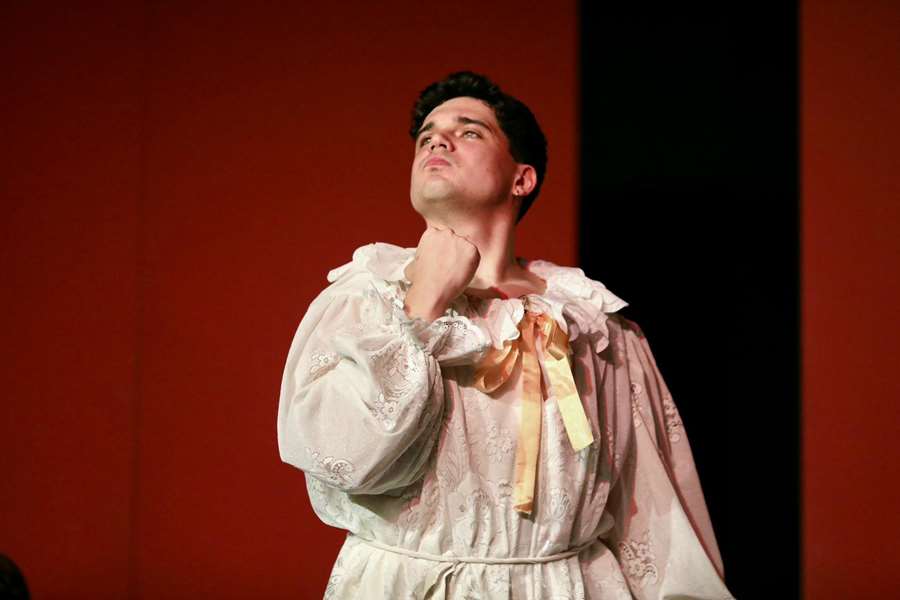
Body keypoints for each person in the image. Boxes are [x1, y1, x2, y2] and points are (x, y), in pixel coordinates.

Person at [277, 71, 735, 599]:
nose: (438, 142)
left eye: (469, 131)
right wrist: (423, 306)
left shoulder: (591, 326)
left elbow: (653, 511)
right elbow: (345, 460)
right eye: (426, 136)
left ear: (522, 179)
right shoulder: (366, 297)